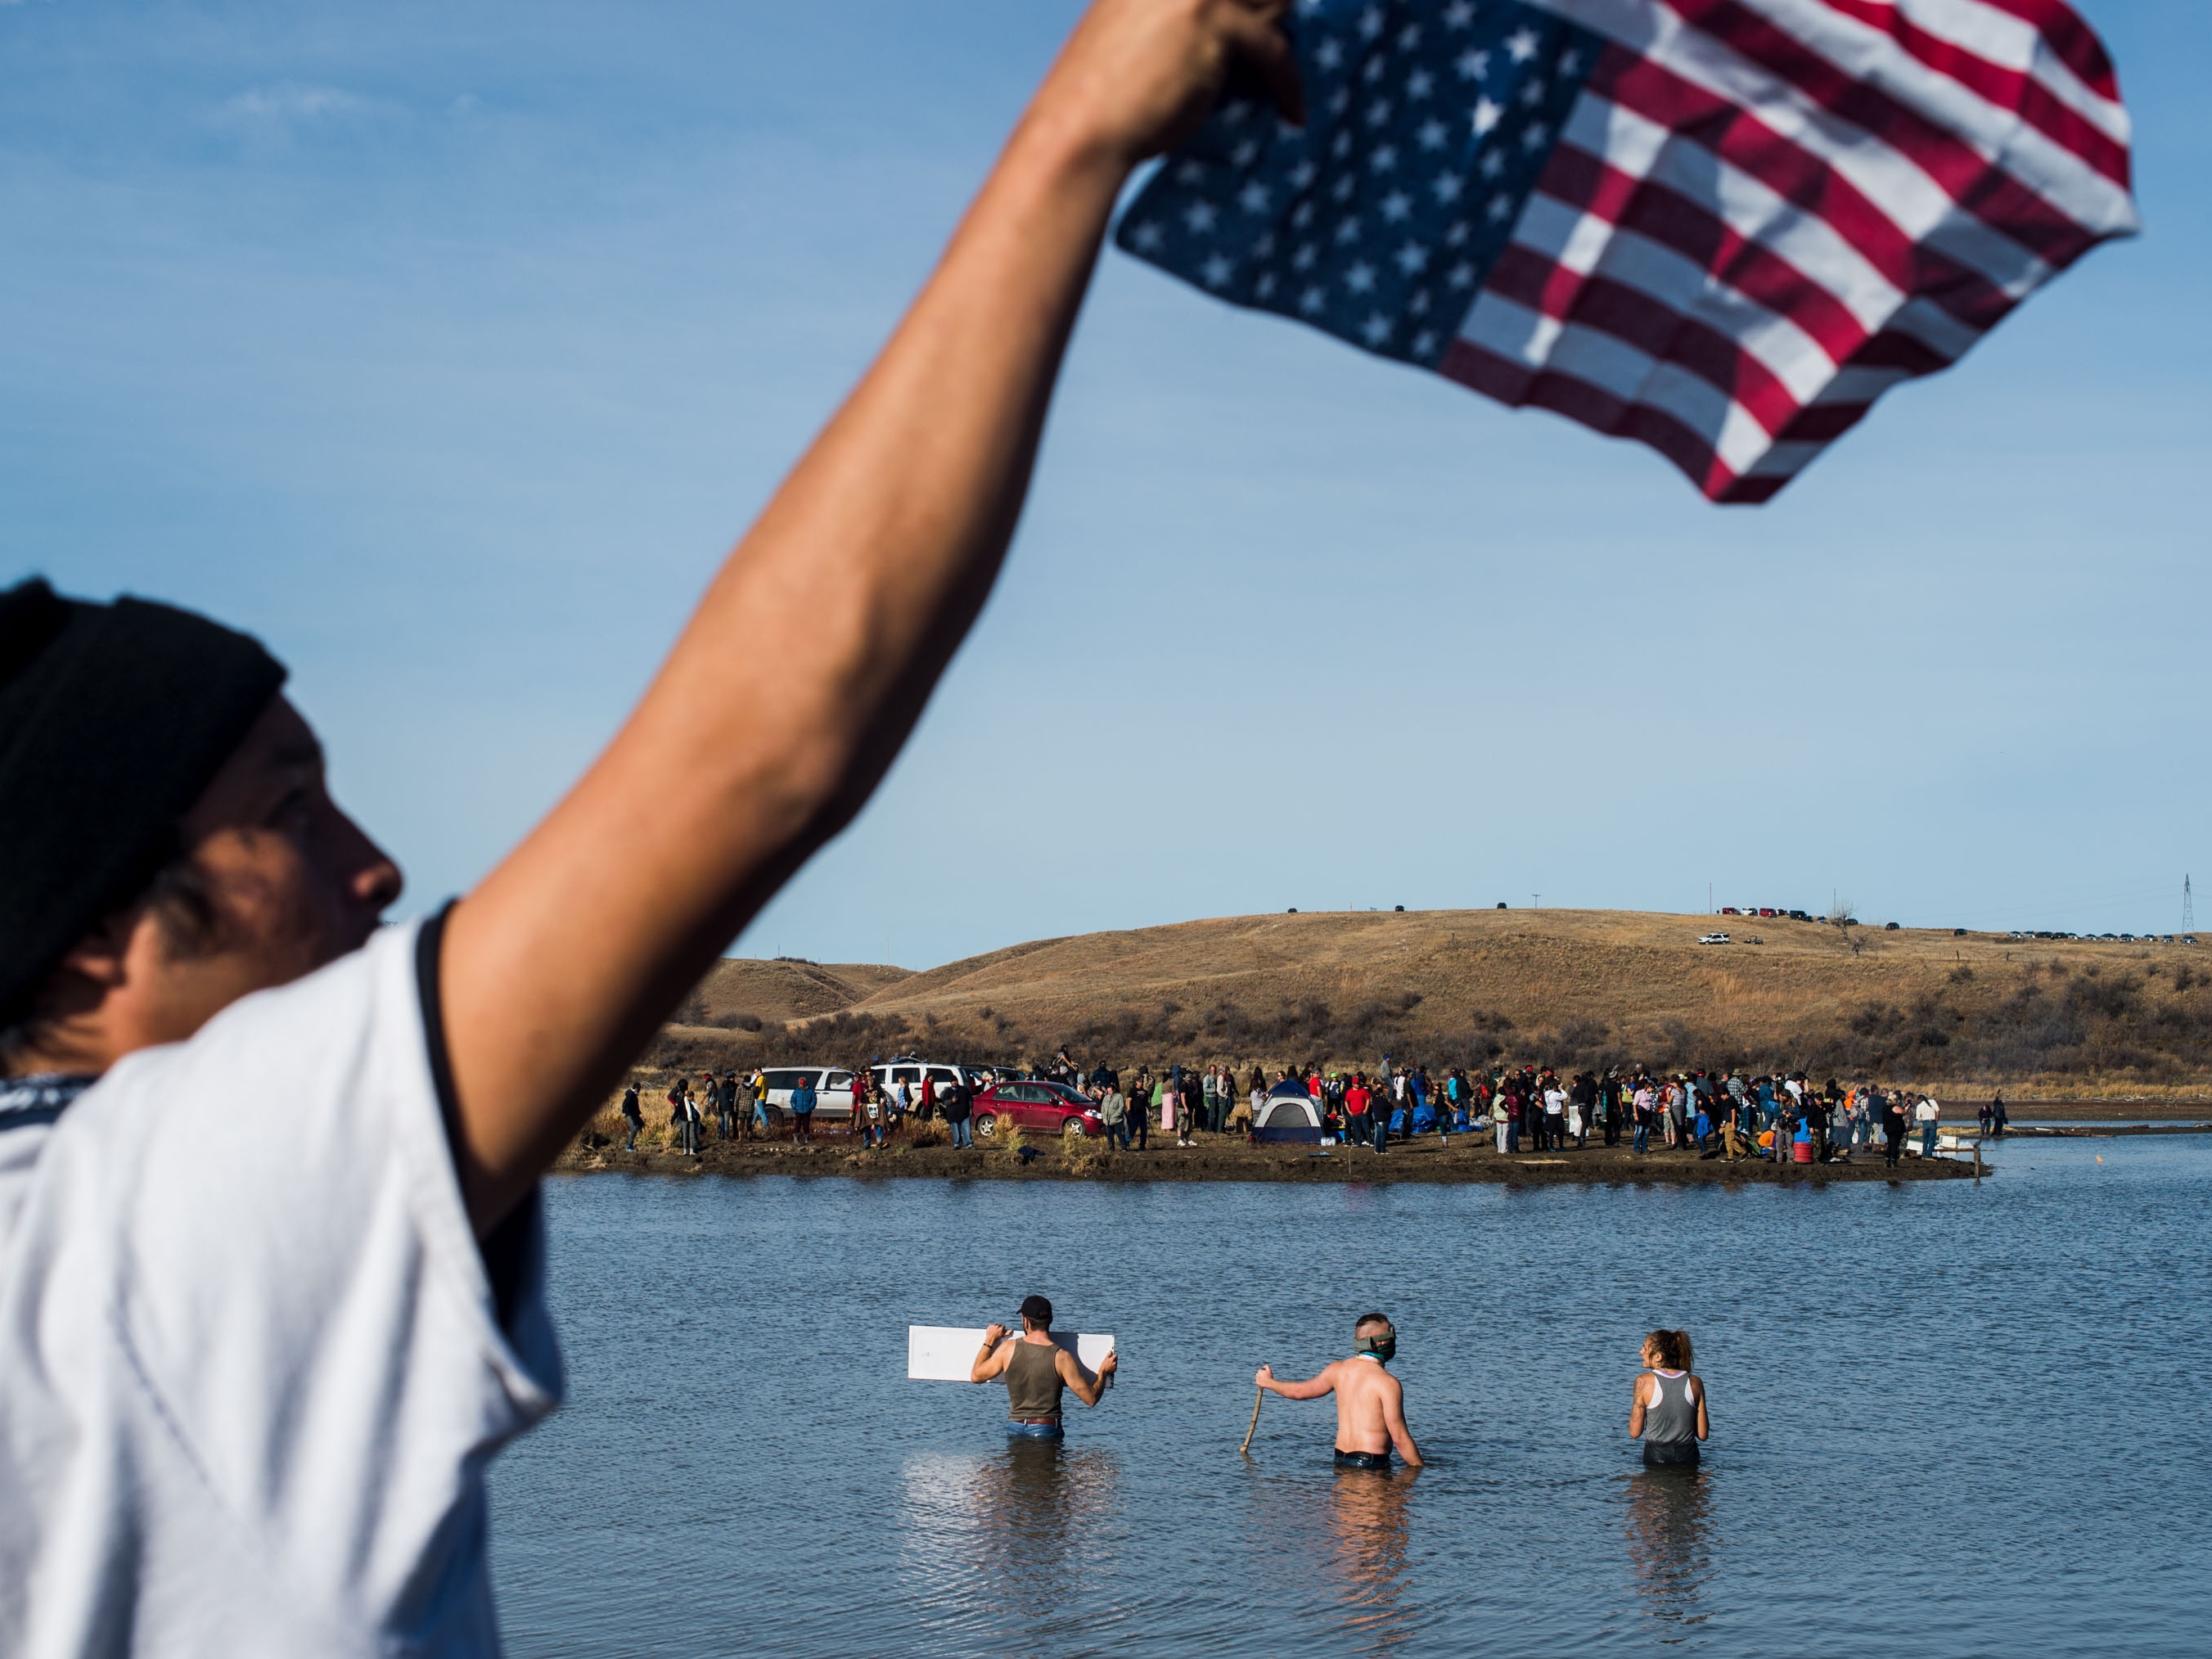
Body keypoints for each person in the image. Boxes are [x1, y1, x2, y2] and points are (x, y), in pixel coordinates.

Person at [1255, 1313, 1422, 1471]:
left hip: (1340, 1460)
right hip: (1371, 1463)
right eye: (1391, 1335)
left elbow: (1299, 1392)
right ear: (1379, 1342)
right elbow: (1400, 1439)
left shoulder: (1337, 1370)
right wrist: (1420, 1472)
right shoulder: (1387, 1383)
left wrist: (1268, 1382)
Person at [969, 1293, 1117, 1440]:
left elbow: (976, 1376)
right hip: (1046, 1428)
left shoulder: (1008, 1349)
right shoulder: (1062, 1357)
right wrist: (1103, 1372)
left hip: (1015, 1427)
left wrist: (990, 1339)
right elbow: (1091, 1399)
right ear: (1050, 1320)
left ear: (1025, 1321)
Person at [1629, 1328, 1709, 1467]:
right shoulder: (1696, 1382)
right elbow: (1702, 1434)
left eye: (1644, 1348)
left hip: (1656, 1457)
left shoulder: (1643, 1382)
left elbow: (1635, 1432)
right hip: (1688, 1457)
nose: (1641, 1352)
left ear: (1658, 1356)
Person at [944, 1072, 975, 1150]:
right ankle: (957, 1143)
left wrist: (971, 1108)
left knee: (966, 1129)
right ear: (951, 1083)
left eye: (956, 1081)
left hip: (965, 1114)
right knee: (956, 1130)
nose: (955, 1082)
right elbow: (944, 1101)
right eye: (953, 1081)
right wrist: (952, 1101)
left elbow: (970, 1099)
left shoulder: (964, 1089)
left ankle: (969, 1143)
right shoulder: (948, 1092)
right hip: (953, 1115)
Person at [1099, 1082, 1129, 1150]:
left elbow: (1121, 1107)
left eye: (1110, 1091)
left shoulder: (1119, 1097)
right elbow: (1103, 1107)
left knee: (1120, 1135)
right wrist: (1103, 1116)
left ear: (1114, 1090)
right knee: (1109, 1136)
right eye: (1108, 1091)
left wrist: (1116, 1115)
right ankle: (1111, 1147)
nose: (1109, 1092)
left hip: (1117, 1121)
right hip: (1107, 1121)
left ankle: (1124, 1147)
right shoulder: (1106, 1097)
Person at [1915, 1093, 1941, 1158]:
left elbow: (1918, 1117)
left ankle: (1924, 1153)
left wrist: (1922, 1121)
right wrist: (1937, 1120)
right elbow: (1938, 1110)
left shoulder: (1919, 1106)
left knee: (1925, 1139)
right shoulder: (1932, 1102)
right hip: (1932, 1121)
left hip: (1925, 1122)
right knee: (1932, 1139)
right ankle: (1929, 1154)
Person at [620, 1081, 642, 1152]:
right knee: (634, 1128)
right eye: (639, 1089)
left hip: (634, 1115)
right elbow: (625, 1103)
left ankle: (638, 1140)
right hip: (629, 1115)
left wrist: (638, 1112)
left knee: (641, 1125)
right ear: (636, 1088)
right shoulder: (630, 1094)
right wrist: (624, 1111)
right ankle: (629, 1146)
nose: (640, 1090)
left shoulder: (634, 1095)